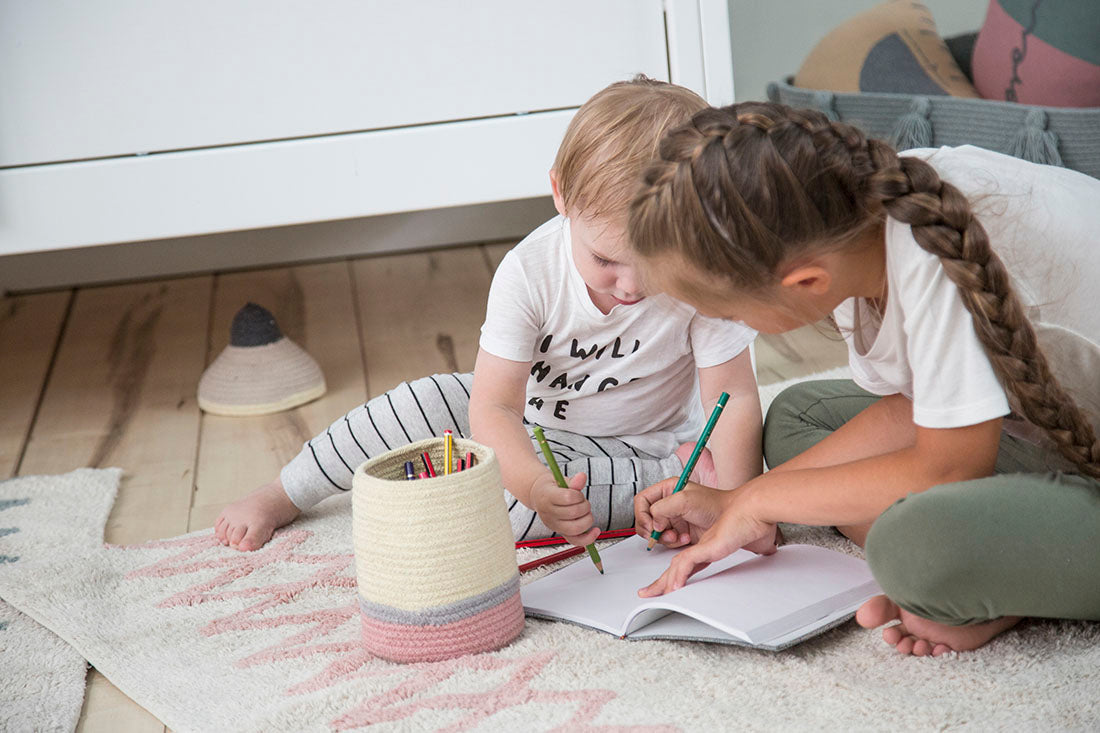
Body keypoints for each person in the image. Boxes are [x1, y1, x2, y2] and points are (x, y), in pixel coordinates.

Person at [626, 100, 1100, 656]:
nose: (729, 327)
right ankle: (998, 559)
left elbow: (948, 466)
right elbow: (916, 408)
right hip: (1054, 433)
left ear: (805, 282)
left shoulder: (933, 251)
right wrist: (743, 499)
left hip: (1055, 447)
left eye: (729, 315)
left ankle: (985, 577)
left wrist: (761, 504)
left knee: (909, 549)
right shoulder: (860, 217)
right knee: (798, 419)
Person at [215, 76, 768, 552]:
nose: (632, 286)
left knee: (509, 509)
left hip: (643, 451)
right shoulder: (528, 272)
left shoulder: (704, 277)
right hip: (528, 430)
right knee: (431, 404)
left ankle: (663, 490)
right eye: (605, 260)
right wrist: (528, 481)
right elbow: (495, 404)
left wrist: (734, 505)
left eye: (658, 264)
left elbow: (734, 398)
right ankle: (286, 491)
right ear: (560, 194)